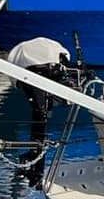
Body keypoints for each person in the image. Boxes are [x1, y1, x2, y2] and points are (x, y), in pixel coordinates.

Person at [5, 36, 77, 170]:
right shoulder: (53, 46)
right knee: (41, 113)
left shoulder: (23, 49)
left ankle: (36, 156)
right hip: (49, 68)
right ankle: (36, 155)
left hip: (30, 70)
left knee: (39, 113)